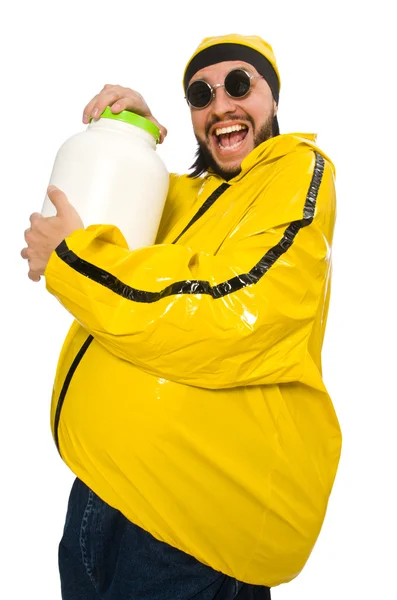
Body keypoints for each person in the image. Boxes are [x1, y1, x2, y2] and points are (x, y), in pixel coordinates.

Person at [21, 33, 342, 600]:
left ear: (273, 99)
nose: (220, 105)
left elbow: (241, 313)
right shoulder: (186, 197)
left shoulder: (294, 172)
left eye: (239, 84)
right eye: (200, 93)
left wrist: (72, 259)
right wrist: (133, 137)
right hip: (101, 493)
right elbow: (115, 231)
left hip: (185, 527)